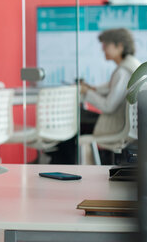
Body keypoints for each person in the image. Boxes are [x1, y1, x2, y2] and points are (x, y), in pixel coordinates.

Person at [50, 28, 141, 164]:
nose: (103, 50)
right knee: (76, 117)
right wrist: (91, 89)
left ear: (119, 46)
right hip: (124, 122)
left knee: (69, 119)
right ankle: (60, 159)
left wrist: (87, 92)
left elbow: (108, 107)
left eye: (106, 46)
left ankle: (60, 162)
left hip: (116, 124)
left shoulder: (123, 72)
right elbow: (109, 88)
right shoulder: (132, 65)